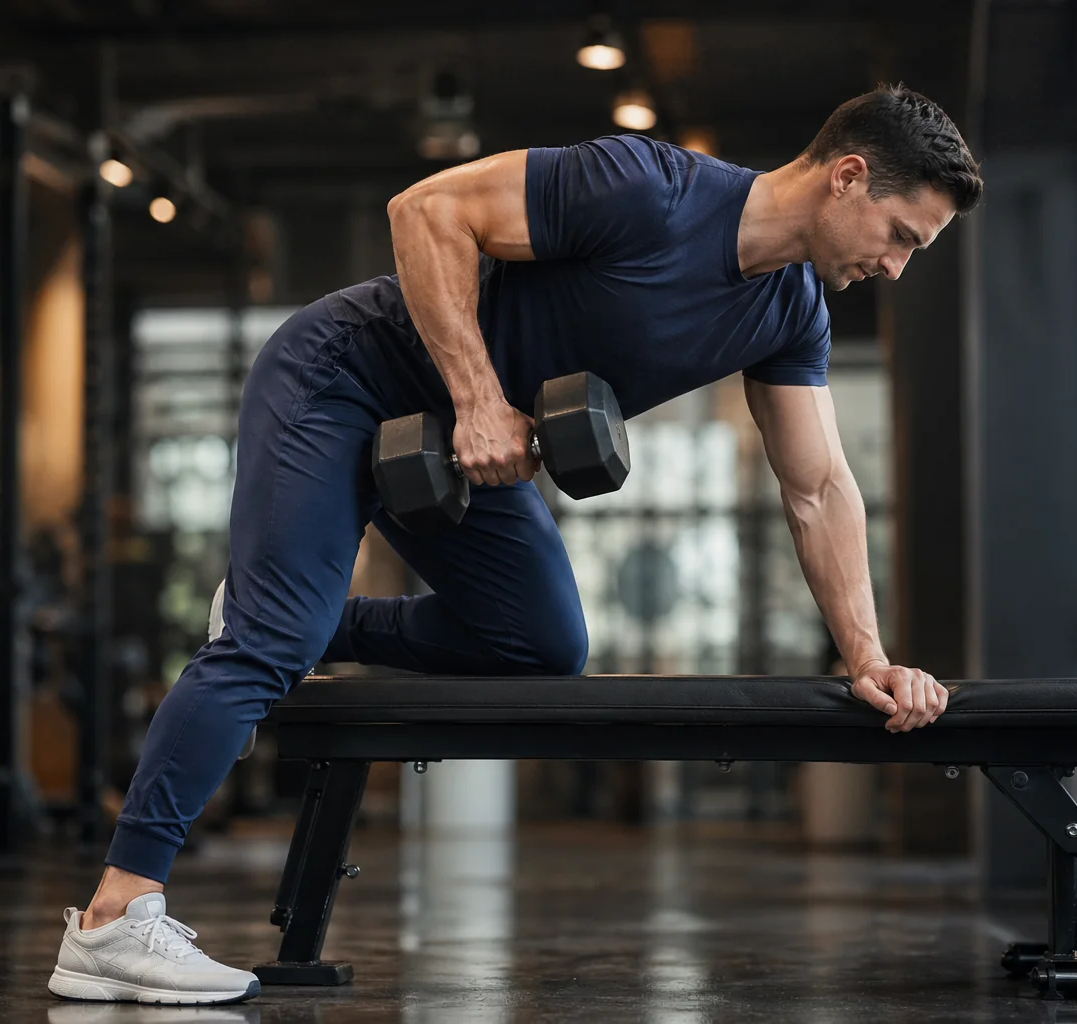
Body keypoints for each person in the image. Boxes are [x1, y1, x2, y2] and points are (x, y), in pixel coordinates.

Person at [48, 83, 984, 1005]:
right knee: (269, 642)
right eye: (902, 237)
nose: (898, 268)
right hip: (345, 377)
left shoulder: (792, 312)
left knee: (539, 645)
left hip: (458, 451)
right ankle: (113, 918)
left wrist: (869, 656)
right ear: (849, 177)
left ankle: (306, 618)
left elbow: (818, 485)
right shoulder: (651, 188)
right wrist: (475, 397)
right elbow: (426, 210)